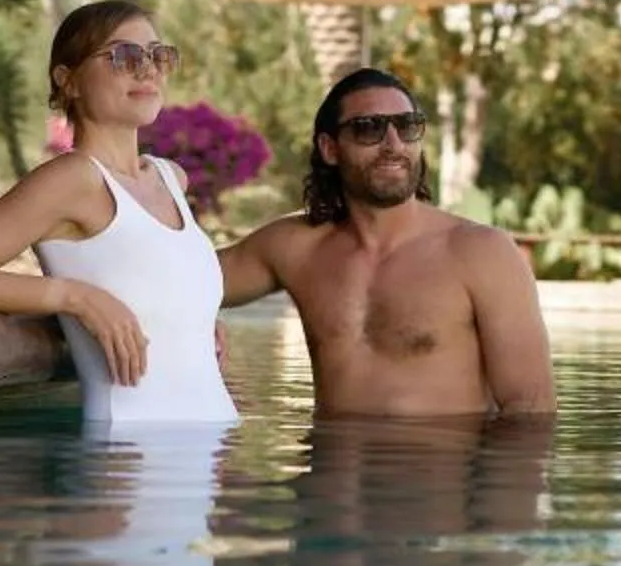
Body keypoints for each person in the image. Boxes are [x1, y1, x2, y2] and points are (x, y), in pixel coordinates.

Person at [0, 0, 237, 430]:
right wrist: (76, 298)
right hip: (128, 460)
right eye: (123, 56)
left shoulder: (171, 179)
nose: (147, 70)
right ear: (69, 81)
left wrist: (195, 318)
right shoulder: (72, 180)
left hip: (208, 444)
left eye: (157, 55)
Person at [218, 68, 554, 420]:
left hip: (436, 467)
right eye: (369, 128)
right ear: (330, 148)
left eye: (407, 126)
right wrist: (198, 320)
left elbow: (530, 410)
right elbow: (183, 284)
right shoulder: (296, 248)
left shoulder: (482, 253)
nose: (394, 144)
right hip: (329, 470)